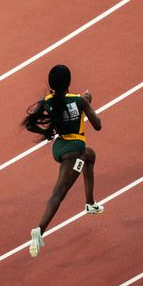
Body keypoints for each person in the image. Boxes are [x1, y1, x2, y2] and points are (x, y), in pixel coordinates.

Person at [22, 64, 103, 257]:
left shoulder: (48, 101)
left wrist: (47, 133)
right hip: (74, 151)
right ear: (69, 82)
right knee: (59, 192)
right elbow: (98, 125)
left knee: (90, 156)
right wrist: (87, 103)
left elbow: (30, 124)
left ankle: (90, 203)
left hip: (59, 147)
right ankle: (39, 231)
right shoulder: (79, 100)